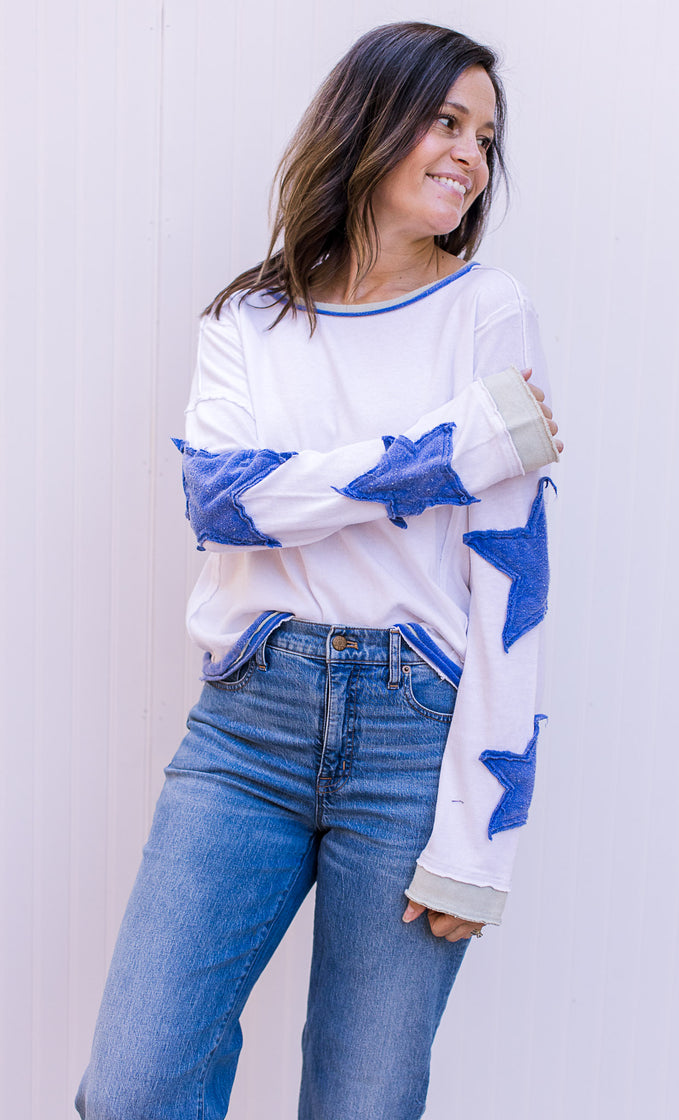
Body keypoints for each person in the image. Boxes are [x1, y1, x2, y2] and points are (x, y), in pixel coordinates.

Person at [76, 20, 562, 1120]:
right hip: (245, 727)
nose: (469, 156)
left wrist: (481, 835)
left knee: (361, 1102)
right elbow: (222, 503)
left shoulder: (487, 311)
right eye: (444, 121)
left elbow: (512, 593)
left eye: (485, 137)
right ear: (368, 119)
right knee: (134, 1088)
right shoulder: (249, 321)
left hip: (411, 735)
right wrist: (450, 451)